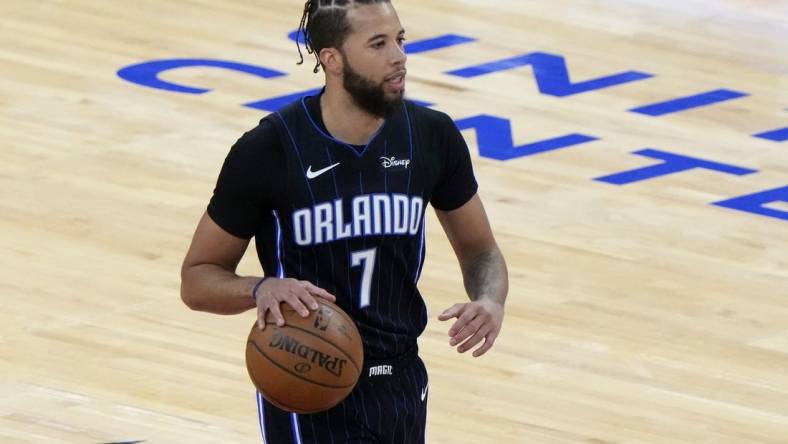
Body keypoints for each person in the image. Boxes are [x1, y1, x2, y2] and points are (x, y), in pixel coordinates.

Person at [180, 1, 508, 442]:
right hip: (306, 379)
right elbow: (197, 279)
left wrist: (489, 300)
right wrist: (260, 288)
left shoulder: (432, 136)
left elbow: (480, 250)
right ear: (332, 59)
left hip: (402, 382)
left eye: (399, 39)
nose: (399, 56)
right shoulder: (269, 150)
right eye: (378, 44)